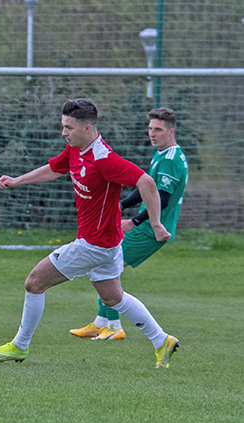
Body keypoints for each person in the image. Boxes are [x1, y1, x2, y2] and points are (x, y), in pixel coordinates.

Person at [0, 98, 180, 368]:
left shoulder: (104, 158)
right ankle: (162, 341)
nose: (63, 133)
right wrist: (18, 180)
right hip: (108, 244)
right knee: (113, 298)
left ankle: (19, 346)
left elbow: (146, 181)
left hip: (94, 244)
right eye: (63, 126)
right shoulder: (75, 150)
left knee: (34, 282)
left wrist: (156, 224)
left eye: (69, 127)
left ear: (87, 128)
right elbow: (54, 168)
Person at [70, 107, 189, 341]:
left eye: (158, 129)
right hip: (146, 226)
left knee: (106, 268)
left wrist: (134, 222)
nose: (152, 134)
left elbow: (162, 199)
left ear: (171, 131)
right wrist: (121, 205)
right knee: (104, 267)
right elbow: (144, 188)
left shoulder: (171, 161)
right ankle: (101, 322)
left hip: (151, 230)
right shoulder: (163, 154)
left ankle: (113, 326)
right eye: (150, 129)